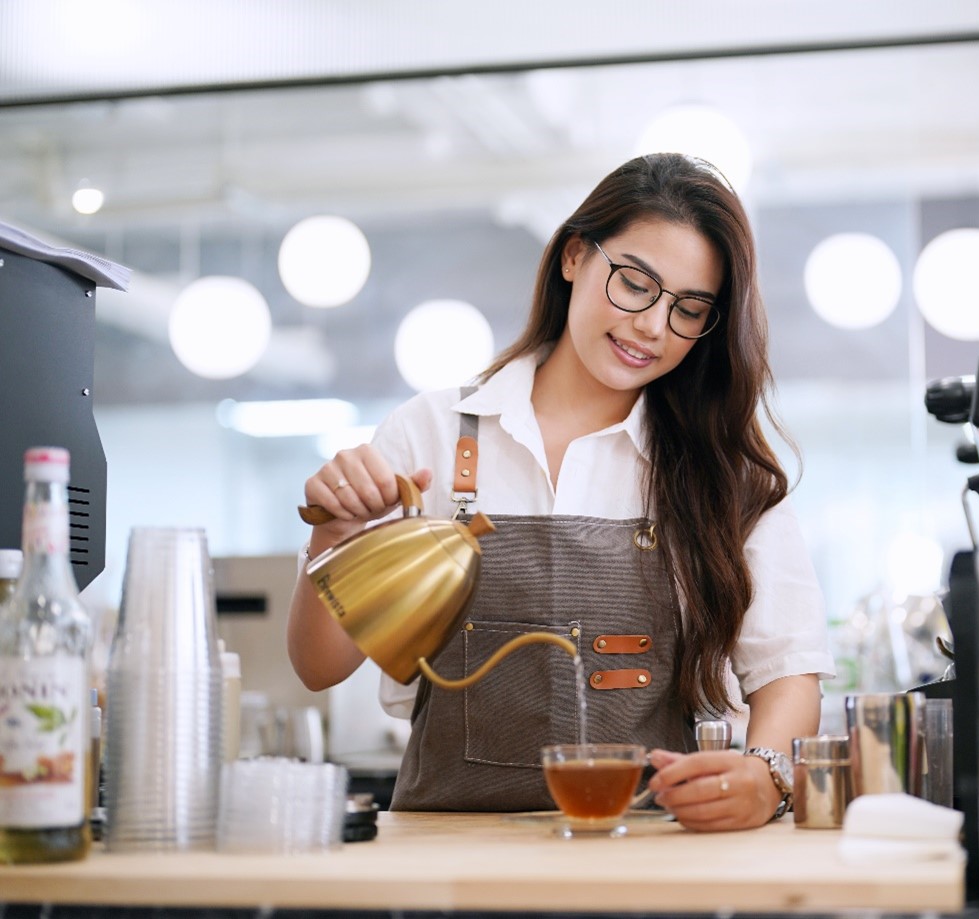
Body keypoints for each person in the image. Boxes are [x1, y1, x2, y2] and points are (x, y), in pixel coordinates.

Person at [286, 152, 834, 831]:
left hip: (649, 856)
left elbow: (786, 671)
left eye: (689, 309)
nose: (652, 327)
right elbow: (318, 665)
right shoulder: (428, 433)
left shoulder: (722, 473)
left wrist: (766, 772)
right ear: (575, 255)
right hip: (445, 856)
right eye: (635, 283)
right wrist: (333, 534)